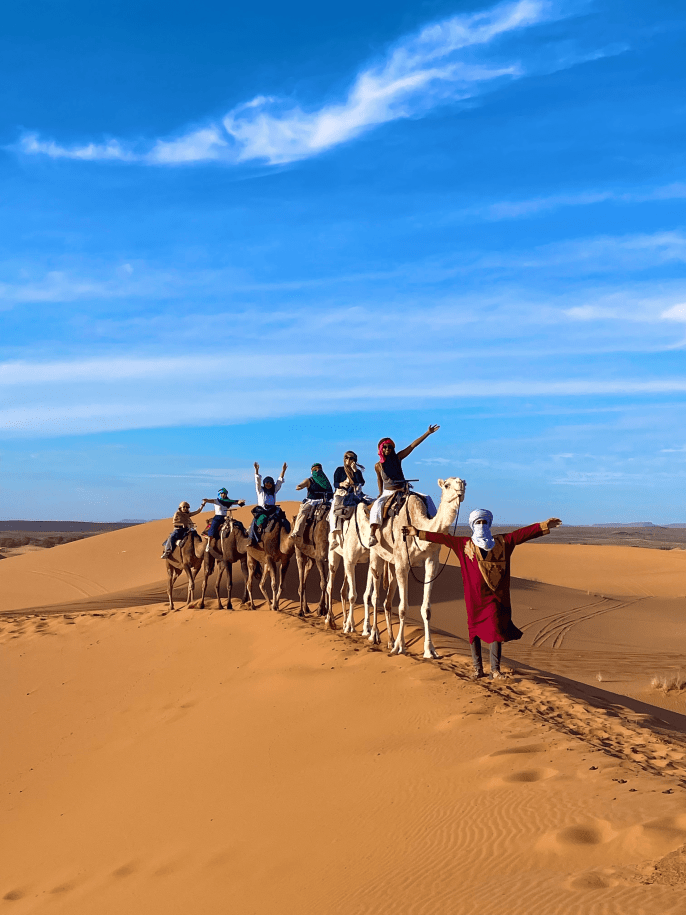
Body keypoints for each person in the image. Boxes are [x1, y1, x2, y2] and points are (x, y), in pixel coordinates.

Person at [402, 509, 562, 678]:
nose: (481, 525)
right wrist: (417, 532)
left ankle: (495, 669)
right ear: (472, 524)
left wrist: (543, 526)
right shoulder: (464, 544)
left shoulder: (502, 542)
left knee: (495, 629)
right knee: (474, 631)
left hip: (495, 597)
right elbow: (443, 538)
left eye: (484, 522)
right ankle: (478, 668)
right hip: (474, 598)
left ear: (489, 524)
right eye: (478, 522)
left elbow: (521, 534)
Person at [369, 424, 440, 546]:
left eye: (390, 447)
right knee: (377, 506)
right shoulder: (378, 466)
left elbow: (413, 445)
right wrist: (380, 493)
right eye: (385, 447)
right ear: (381, 449)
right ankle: (372, 534)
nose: (387, 449)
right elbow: (379, 480)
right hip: (388, 492)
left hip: (403, 489)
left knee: (426, 498)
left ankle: (435, 526)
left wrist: (427, 433)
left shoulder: (398, 457)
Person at [329, 451, 367, 546]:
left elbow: (361, 482)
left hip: (354, 493)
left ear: (354, 461)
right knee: (334, 510)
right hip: (341, 493)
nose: (348, 460)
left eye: (351, 458)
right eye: (346, 457)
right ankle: (333, 536)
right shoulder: (339, 470)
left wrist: (355, 471)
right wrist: (341, 484)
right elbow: (335, 483)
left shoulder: (357, 472)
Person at [292, 463, 334, 538]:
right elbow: (302, 484)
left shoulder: (325, 482)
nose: (317, 471)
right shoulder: (309, 480)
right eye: (315, 470)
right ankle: (296, 532)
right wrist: (299, 486)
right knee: (303, 511)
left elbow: (330, 491)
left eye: (319, 469)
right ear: (312, 471)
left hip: (323, 501)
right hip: (311, 501)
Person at [250, 461, 287, 544]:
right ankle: (252, 540)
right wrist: (256, 470)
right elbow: (257, 481)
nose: (269, 484)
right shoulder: (260, 490)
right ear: (264, 483)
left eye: (270, 483)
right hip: (262, 510)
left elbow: (279, 482)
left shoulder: (274, 491)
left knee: (284, 521)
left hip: (273, 511)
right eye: (267, 483)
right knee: (257, 523)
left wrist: (283, 471)